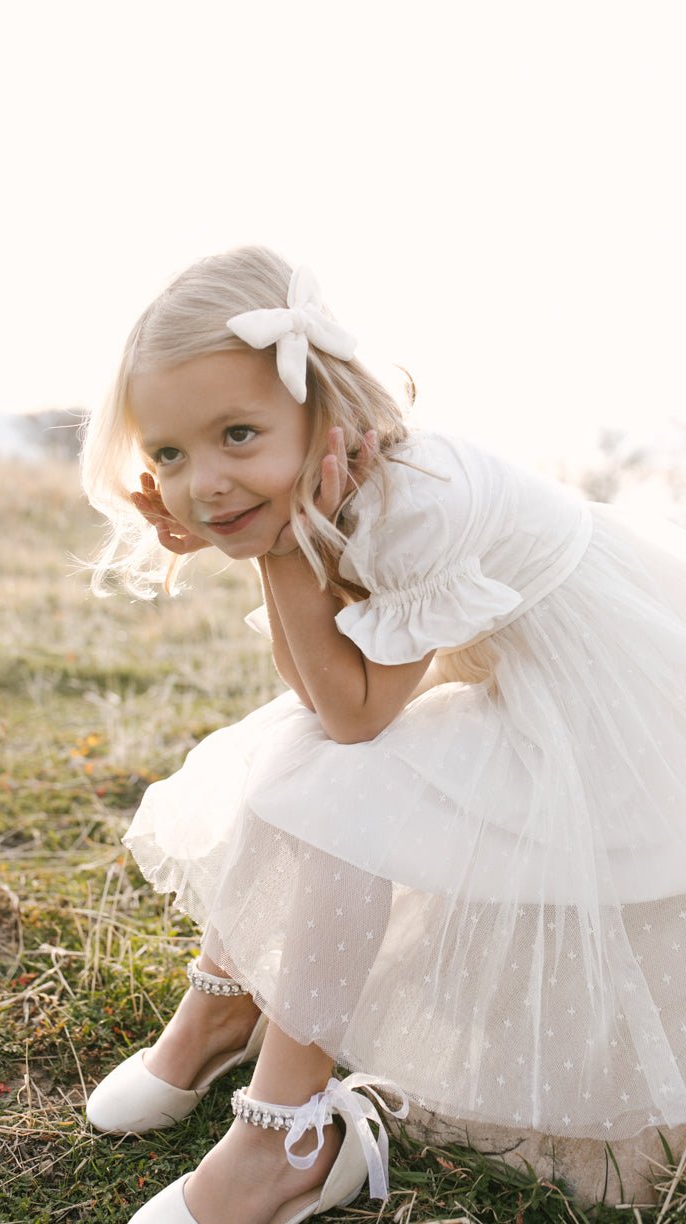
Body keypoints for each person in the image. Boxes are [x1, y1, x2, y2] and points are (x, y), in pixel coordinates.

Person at [79, 246, 686, 1224]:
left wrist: (274, 553)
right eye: (172, 455)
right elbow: (323, 698)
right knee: (286, 754)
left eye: (239, 434)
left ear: (326, 414)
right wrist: (273, 537)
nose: (204, 484)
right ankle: (226, 1002)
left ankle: (288, 1135)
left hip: (604, 715)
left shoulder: (419, 504)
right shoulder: (326, 486)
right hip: (511, 681)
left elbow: (355, 717)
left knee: (340, 793)